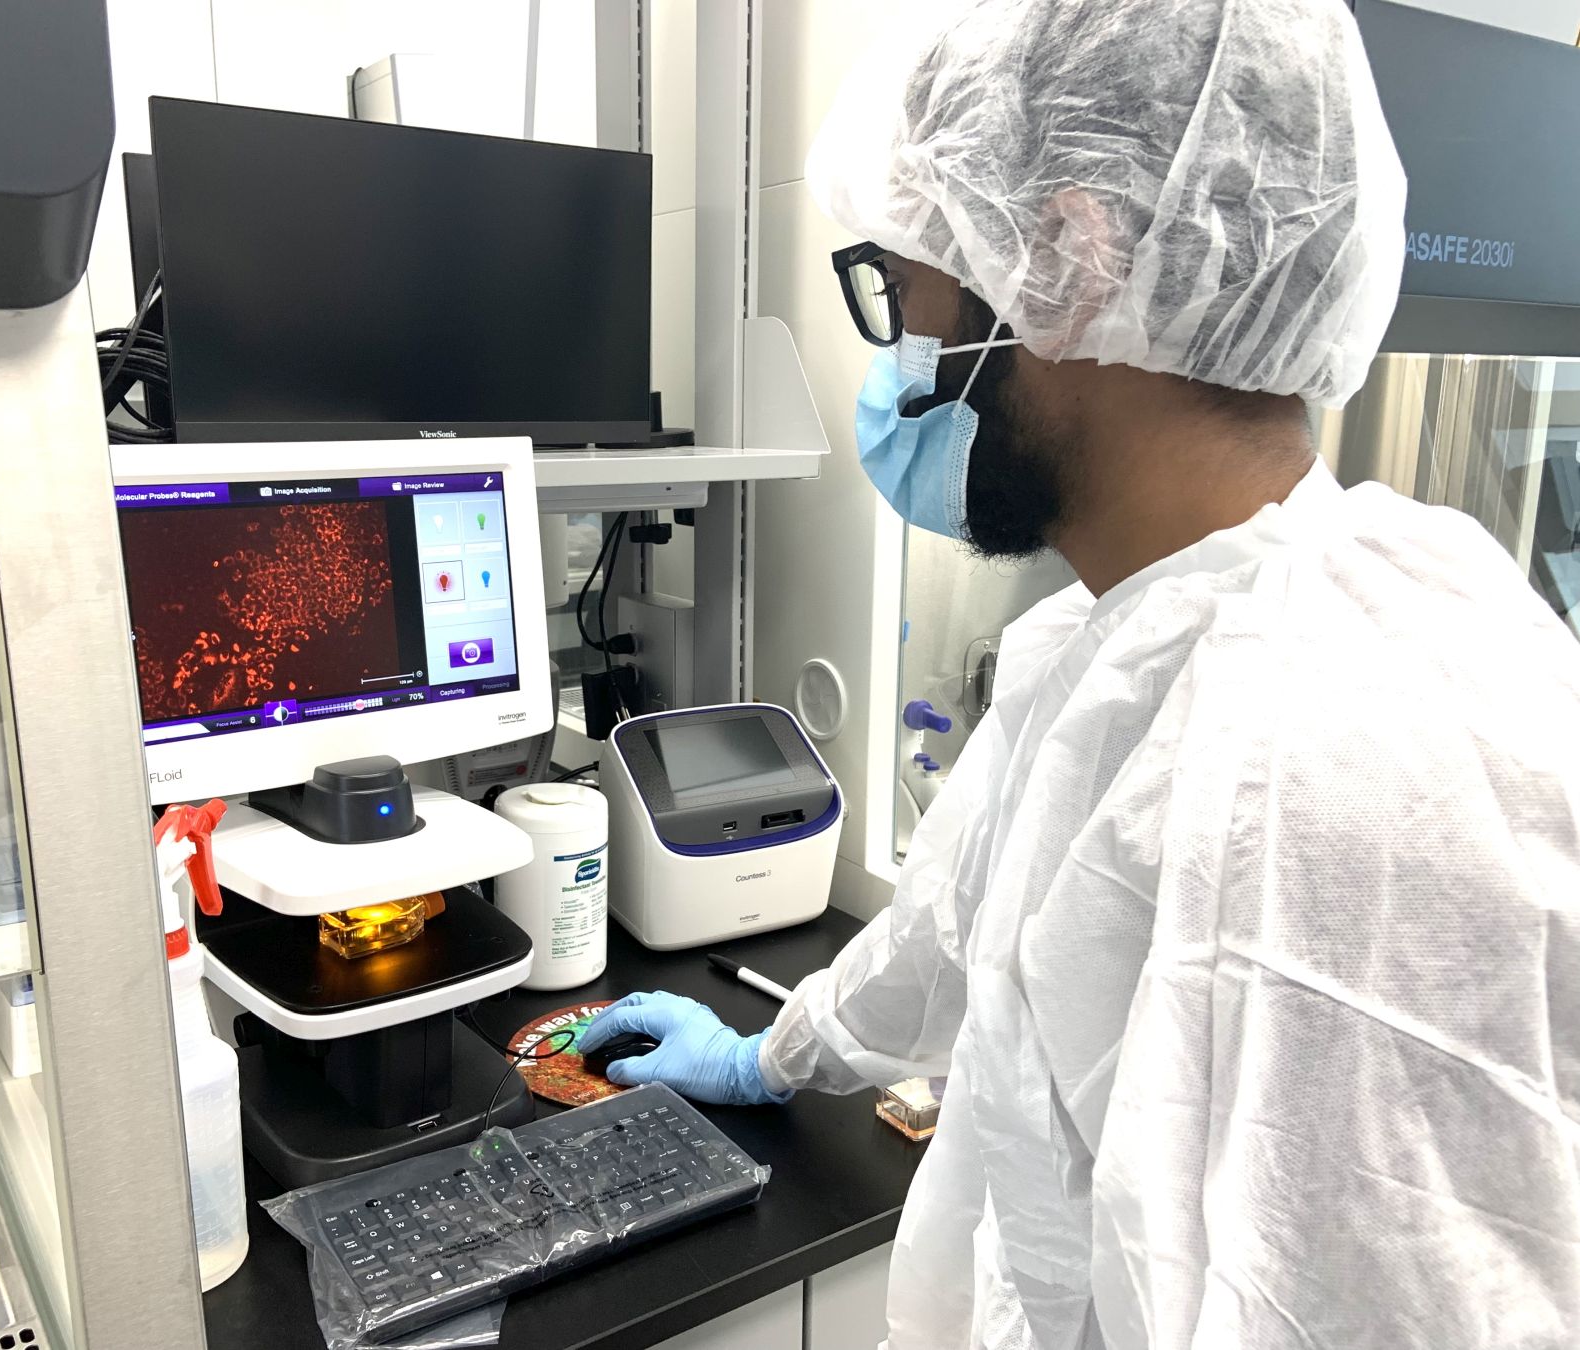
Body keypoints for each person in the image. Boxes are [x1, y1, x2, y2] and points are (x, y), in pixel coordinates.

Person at [577, 2, 1580, 1346]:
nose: (901, 358)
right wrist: (770, 1053)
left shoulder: (1334, 761)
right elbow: (956, 933)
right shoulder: (1113, 641)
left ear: (1068, 255)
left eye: (903, 283)